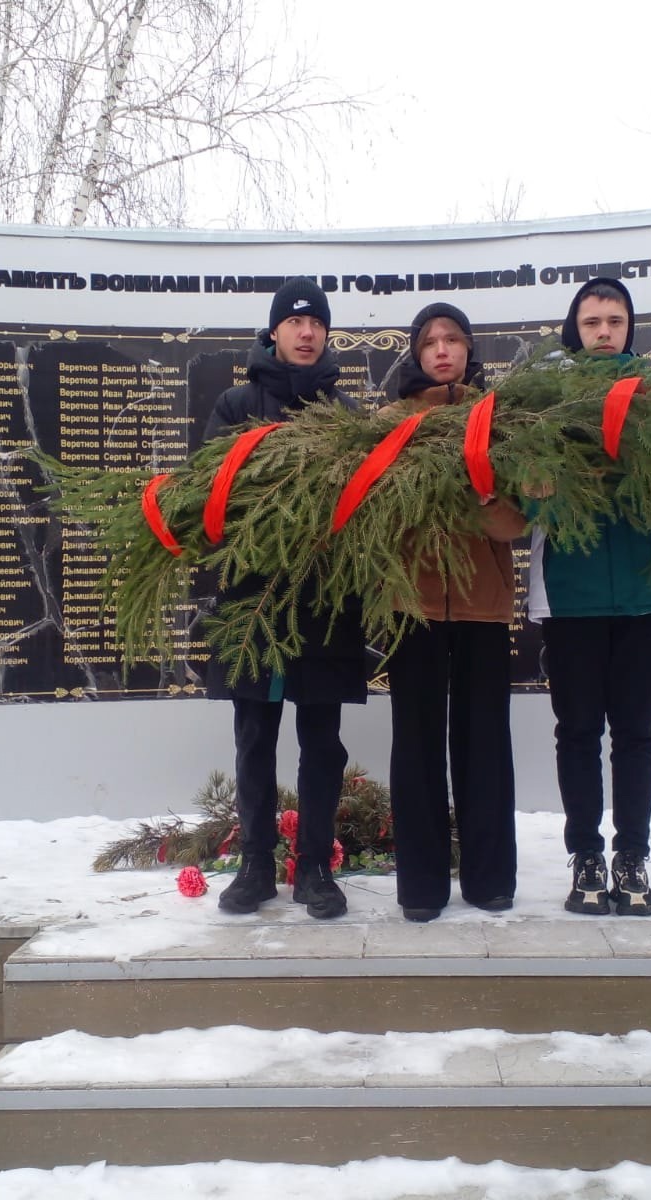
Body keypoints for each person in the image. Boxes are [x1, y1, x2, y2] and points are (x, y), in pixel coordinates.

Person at [203, 277, 366, 920]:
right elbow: (211, 484)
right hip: (255, 601)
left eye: (316, 323)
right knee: (255, 737)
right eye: (294, 322)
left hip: (326, 600)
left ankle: (316, 869)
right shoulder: (237, 403)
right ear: (274, 331)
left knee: (322, 740)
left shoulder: (348, 414)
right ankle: (256, 865)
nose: (306, 332)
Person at [527, 276, 651, 917]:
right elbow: (513, 478)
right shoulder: (542, 406)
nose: (603, 333)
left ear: (629, 328)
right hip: (573, 595)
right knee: (578, 733)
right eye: (591, 322)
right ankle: (586, 857)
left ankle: (633, 858)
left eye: (614, 322)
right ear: (575, 328)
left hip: (648, 591)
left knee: (639, 734)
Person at [381, 303, 524, 922]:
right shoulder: (387, 423)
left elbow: (514, 522)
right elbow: (375, 516)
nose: (442, 350)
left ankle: (490, 879)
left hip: (482, 608)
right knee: (414, 747)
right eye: (431, 341)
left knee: (484, 742)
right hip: (409, 605)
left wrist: (479, 487)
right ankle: (420, 887)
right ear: (415, 353)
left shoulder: (498, 422)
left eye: (454, 339)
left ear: (470, 350)